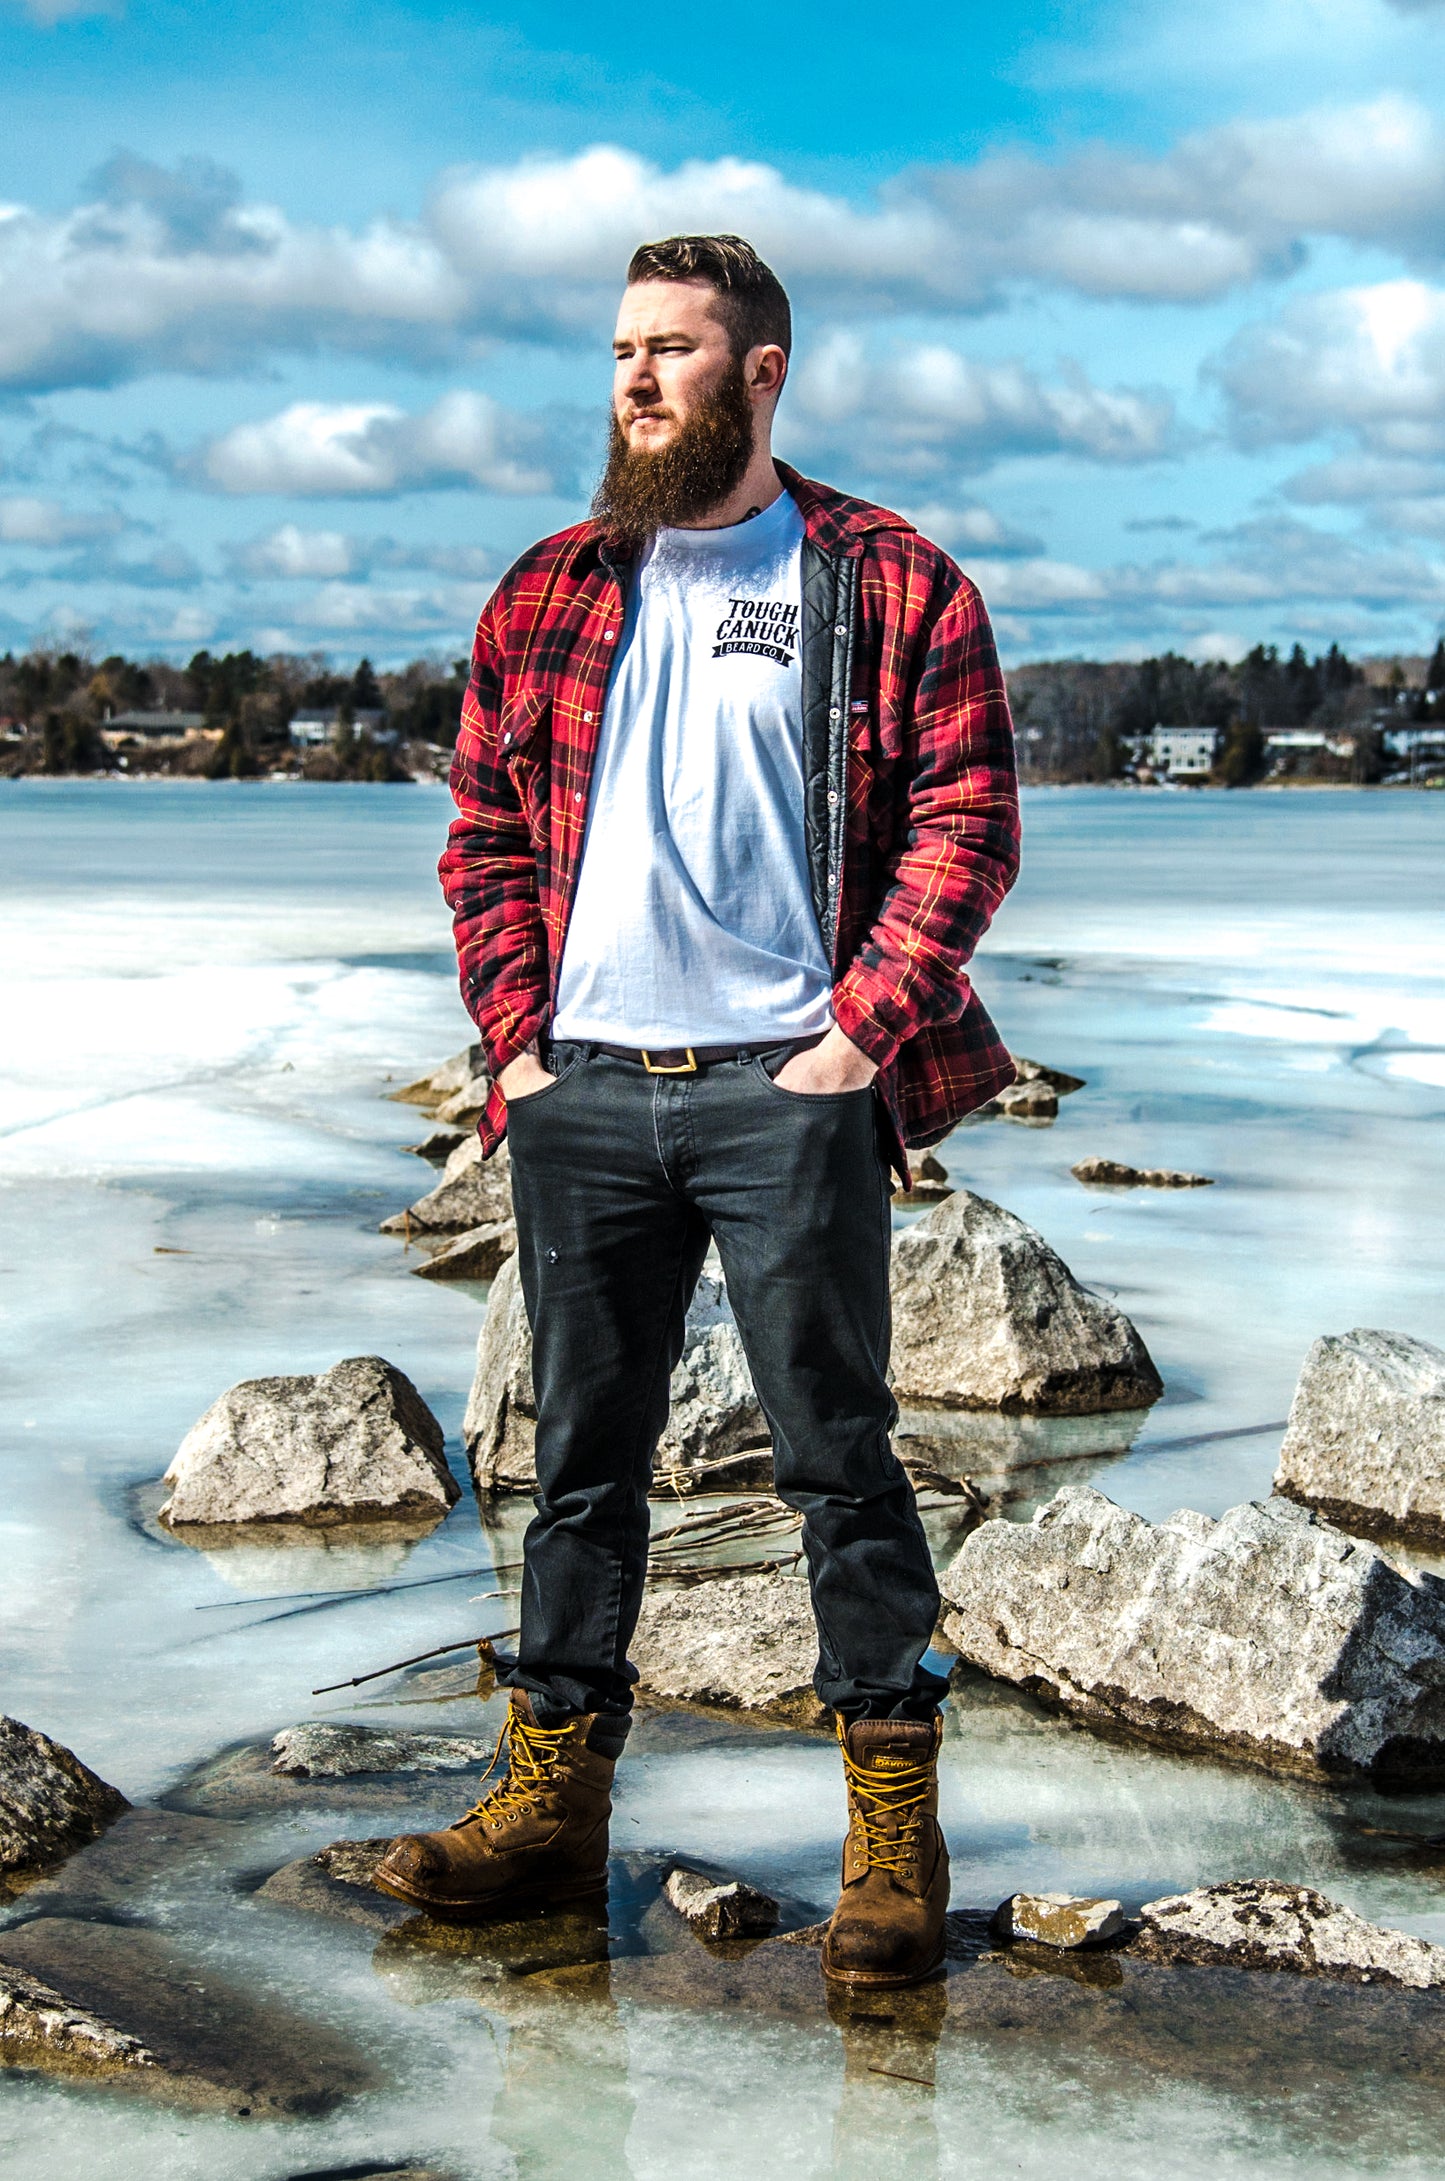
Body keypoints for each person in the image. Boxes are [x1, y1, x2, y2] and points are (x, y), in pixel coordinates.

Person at [374, 233, 1020, 1988]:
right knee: (573, 1467)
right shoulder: (555, 586)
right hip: (581, 1087)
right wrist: (516, 1041)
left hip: (783, 1093)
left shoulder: (880, 579)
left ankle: (891, 1833)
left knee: (836, 1459)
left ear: (762, 372)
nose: (632, 380)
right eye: (616, 351)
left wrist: (851, 1042)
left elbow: (965, 821)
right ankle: (549, 1808)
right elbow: (487, 834)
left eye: (669, 349)